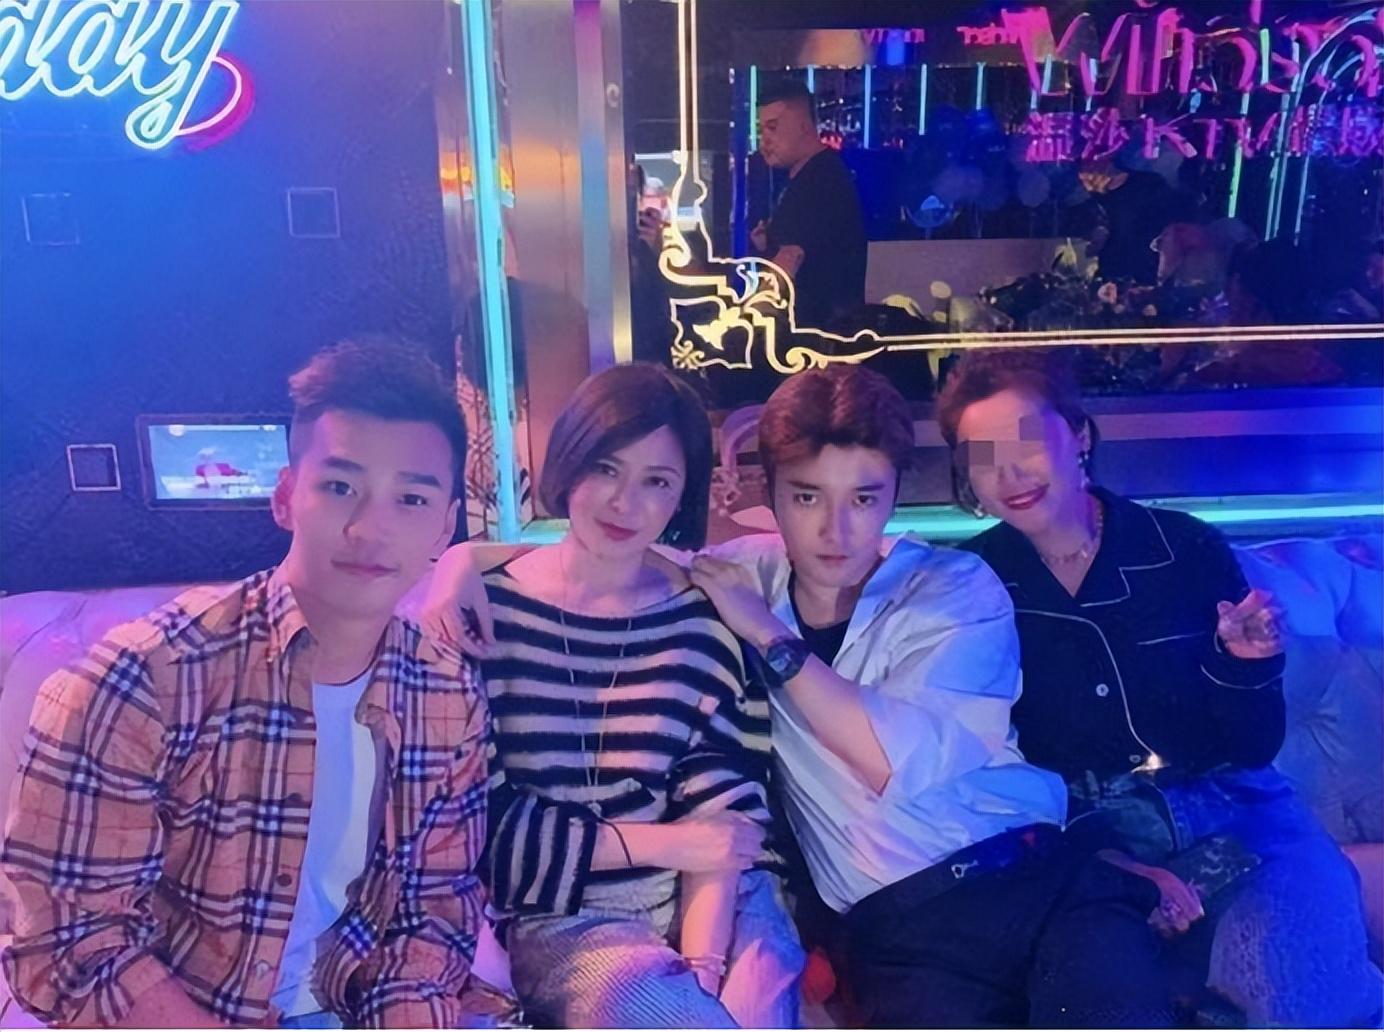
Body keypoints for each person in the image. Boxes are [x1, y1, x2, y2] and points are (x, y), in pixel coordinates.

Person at [430, 364, 1176, 1028]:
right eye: (807, 496)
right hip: (903, 933)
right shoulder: (742, 576)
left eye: (864, 498)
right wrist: (460, 561)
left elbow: (890, 763)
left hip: (1037, 879)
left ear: (894, 495)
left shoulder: (952, 587)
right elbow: (610, 546)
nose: (834, 529)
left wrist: (767, 635)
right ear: (772, 496)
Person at [0, 339, 488, 1028]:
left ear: (444, 527)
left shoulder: (446, 694)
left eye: (410, 499)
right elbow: (73, 943)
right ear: (286, 497)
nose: (371, 528)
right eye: (340, 487)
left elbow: (430, 915)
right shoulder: (143, 680)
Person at [938, 347, 1382, 1027]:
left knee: (1290, 983)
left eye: (1024, 442)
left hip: (1239, 815)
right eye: (981, 457)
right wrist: (1105, 863)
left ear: (1078, 436)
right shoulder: (969, 583)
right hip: (1087, 839)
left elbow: (1252, 747)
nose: (1008, 473)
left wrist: (1245, 662)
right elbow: (988, 767)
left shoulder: (1183, 547)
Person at [446, 362, 802, 1028]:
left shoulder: (701, 622)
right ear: (571, 459)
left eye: (657, 482)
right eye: (606, 468)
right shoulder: (487, 615)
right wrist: (673, 845)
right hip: (567, 909)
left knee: (750, 1007)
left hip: (721, 893)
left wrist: (702, 969)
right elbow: (483, 833)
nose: (624, 503)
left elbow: (725, 820)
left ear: (682, 496)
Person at [752, 82, 867, 329]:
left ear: (803, 126)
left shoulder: (820, 180)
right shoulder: (813, 174)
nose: (765, 141)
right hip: (818, 331)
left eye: (773, 128)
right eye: (761, 130)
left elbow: (788, 261)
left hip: (817, 335)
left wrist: (749, 320)